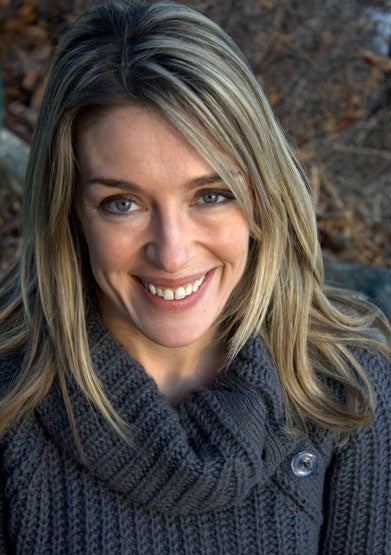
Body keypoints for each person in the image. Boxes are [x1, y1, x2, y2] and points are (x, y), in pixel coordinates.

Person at [0, 1, 390, 553]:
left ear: (263, 195)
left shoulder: (347, 394)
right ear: (69, 211)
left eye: (211, 195)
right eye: (121, 203)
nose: (173, 252)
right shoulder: (11, 405)